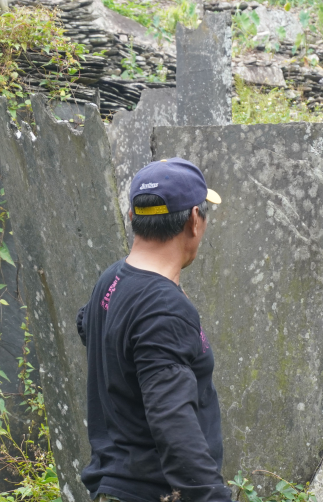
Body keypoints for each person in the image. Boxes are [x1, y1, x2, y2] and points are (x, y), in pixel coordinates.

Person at [78, 158, 228, 502]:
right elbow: (173, 423)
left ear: (133, 217)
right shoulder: (164, 307)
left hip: (112, 482)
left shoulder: (113, 278)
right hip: (148, 492)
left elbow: (89, 326)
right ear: (194, 219)